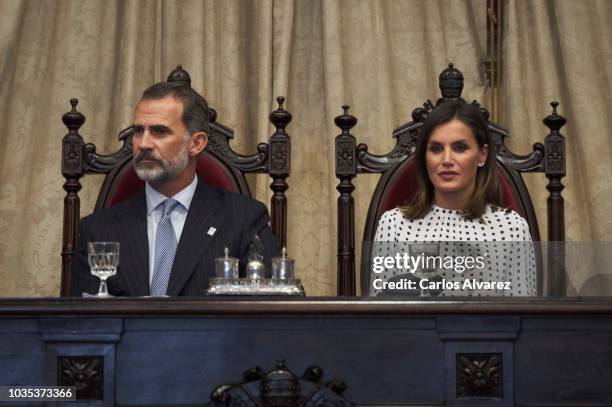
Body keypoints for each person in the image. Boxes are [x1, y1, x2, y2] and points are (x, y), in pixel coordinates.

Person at [71, 82, 281, 297]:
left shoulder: (244, 219)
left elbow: (275, 313)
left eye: (159, 131)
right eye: (138, 131)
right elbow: (78, 324)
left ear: (196, 143)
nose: (143, 144)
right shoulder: (97, 230)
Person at [371, 101, 537, 297]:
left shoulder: (512, 228)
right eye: (436, 149)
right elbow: (382, 320)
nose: (447, 160)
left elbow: (521, 320)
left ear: (482, 155)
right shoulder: (393, 225)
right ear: (425, 157)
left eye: (459, 147)